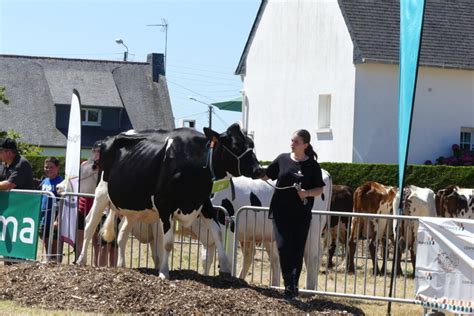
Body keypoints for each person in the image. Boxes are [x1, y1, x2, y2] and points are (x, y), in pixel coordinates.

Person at [262, 129, 325, 299]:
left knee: (297, 250)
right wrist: (251, 167)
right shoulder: (282, 159)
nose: (292, 144)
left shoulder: (312, 166)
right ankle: (288, 283)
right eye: (292, 141)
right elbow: (266, 175)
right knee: (283, 248)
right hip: (280, 212)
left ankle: (293, 286)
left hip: (301, 215)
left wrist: (306, 193)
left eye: (296, 142)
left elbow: (319, 189)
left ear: (305, 145)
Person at [76, 140, 117, 267]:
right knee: (82, 234)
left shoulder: (110, 166)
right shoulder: (85, 165)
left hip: (101, 204)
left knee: (98, 240)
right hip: (85, 202)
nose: (97, 154)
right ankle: (80, 261)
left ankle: (97, 265)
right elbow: (79, 180)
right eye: (95, 151)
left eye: (100, 151)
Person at [0, 138, 34, 265]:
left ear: (9, 152)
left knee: (18, 252)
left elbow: (9, 184)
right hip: (10, 213)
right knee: (7, 250)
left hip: (22, 213)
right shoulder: (5, 165)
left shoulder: (21, 163)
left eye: (1, 151)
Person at [39, 157, 63, 262]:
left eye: (51, 167)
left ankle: (55, 263)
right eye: (46, 167)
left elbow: (63, 202)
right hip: (44, 218)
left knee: (54, 242)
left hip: (54, 218)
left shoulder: (61, 182)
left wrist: (58, 219)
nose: (48, 169)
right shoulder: (44, 181)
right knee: (46, 241)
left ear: (57, 168)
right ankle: (49, 261)